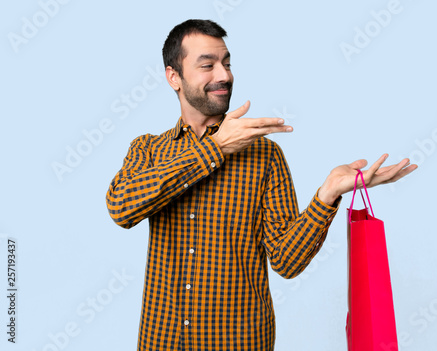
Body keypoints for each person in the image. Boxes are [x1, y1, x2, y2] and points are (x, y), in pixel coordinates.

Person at [106, 19, 417, 351]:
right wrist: (215, 149)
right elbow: (122, 208)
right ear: (174, 77)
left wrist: (327, 195)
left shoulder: (264, 156)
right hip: (162, 342)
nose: (224, 75)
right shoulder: (148, 149)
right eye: (207, 65)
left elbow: (287, 261)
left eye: (226, 63)